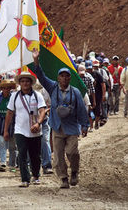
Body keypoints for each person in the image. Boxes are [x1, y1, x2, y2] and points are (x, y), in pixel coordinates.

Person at [32, 50, 90, 189]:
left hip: (71, 127)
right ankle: (64, 178)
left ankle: (74, 172)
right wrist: (36, 60)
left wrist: (85, 125)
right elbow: (41, 75)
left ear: (70, 78)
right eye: (62, 76)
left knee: (72, 152)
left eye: (67, 76)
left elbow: (81, 109)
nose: (64, 78)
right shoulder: (52, 88)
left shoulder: (75, 92)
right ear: (58, 78)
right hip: (57, 127)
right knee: (58, 156)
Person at [4, 71, 47, 187]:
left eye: (27, 81)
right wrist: (6, 130)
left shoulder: (37, 95)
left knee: (35, 155)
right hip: (20, 130)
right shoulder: (15, 96)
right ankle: (25, 179)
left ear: (31, 83)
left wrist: (38, 123)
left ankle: (36, 175)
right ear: (20, 83)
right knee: (22, 153)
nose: (25, 83)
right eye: (22, 81)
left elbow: (42, 110)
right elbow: (9, 113)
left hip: (35, 130)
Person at [0, 79, 17, 172]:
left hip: (12, 122)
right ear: (1, 88)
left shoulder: (14, 97)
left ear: (10, 89)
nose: (6, 90)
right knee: (2, 142)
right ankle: (3, 162)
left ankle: (13, 163)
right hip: (0, 121)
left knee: (13, 144)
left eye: (8, 88)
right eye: (4, 88)